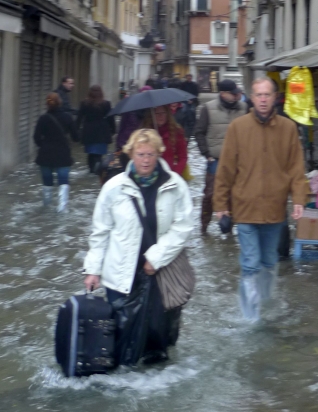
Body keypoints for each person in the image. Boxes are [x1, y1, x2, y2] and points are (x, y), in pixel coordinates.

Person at [83, 128, 193, 364]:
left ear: (158, 154)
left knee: (158, 339)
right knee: (121, 336)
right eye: (140, 154)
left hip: (159, 272)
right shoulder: (113, 188)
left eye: (150, 154)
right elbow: (100, 232)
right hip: (120, 274)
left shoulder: (175, 185)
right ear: (131, 154)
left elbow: (183, 226)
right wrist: (93, 269)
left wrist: (157, 257)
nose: (145, 160)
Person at [213, 77, 308, 321]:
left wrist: (299, 199)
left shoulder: (288, 128)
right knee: (251, 263)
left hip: (275, 209)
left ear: (275, 97)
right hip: (245, 208)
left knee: (269, 261)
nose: (263, 100)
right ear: (251, 98)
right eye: (259, 95)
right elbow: (225, 170)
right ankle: (250, 317)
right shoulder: (238, 127)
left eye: (267, 95)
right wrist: (221, 206)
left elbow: (296, 169)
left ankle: (265, 304)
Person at [195, 79, 247, 234]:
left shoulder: (244, 108)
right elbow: (199, 132)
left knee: (234, 195)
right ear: (223, 94)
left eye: (237, 93)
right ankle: (204, 227)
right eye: (233, 93)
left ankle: (229, 229)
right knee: (210, 195)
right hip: (215, 160)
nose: (237, 96)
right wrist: (206, 154)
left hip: (238, 161)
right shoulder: (208, 108)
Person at [34, 92, 75, 210]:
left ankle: (46, 208)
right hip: (62, 155)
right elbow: (76, 137)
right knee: (63, 182)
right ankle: (62, 210)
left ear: (47, 104)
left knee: (47, 183)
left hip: (45, 155)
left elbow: (36, 138)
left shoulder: (43, 119)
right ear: (60, 103)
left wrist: (44, 146)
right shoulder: (67, 117)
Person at [141, 105, 188, 178]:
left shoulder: (176, 132)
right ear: (151, 115)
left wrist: (175, 174)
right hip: (150, 175)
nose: (161, 116)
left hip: (170, 174)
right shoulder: (145, 133)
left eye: (163, 113)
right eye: (157, 113)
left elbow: (183, 157)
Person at [77, 85, 115, 173]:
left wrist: (77, 131)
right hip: (102, 131)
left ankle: (91, 169)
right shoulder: (106, 104)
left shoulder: (84, 103)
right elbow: (111, 119)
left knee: (90, 153)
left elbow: (79, 118)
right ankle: (98, 168)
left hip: (89, 131)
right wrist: (113, 130)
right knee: (99, 153)